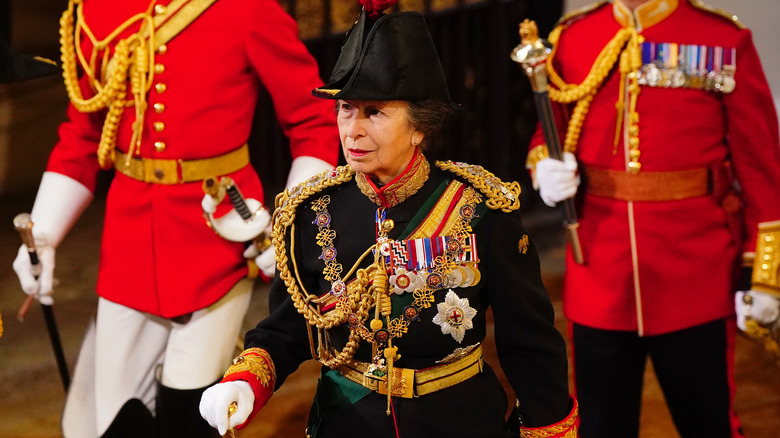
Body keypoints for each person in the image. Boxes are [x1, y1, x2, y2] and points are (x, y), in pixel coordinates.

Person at [199, 3, 578, 437]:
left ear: (419, 127)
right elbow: (287, 329)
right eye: (345, 109)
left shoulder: (480, 210)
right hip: (345, 422)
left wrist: (546, 427)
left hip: (457, 421)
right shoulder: (311, 212)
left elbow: (529, 344)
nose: (352, 131)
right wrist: (246, 382)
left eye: (374, 112)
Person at [10, 0, 339, 436]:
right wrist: (43, 233)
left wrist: (288, 227)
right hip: (129, 249)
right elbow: (83, 138)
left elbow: (313, 119)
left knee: (194, 413)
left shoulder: (246, 9)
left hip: (219, 239)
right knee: (110, 422)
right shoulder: (97, 12)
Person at [526, 0, 780, 437]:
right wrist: (543, 167)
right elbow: (550, 125)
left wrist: (764, 272)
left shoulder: (720, 38)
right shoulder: (574, 35)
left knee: (709, 422)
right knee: (601, 424)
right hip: (600, 270)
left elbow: (760, 169)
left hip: (695, 273)